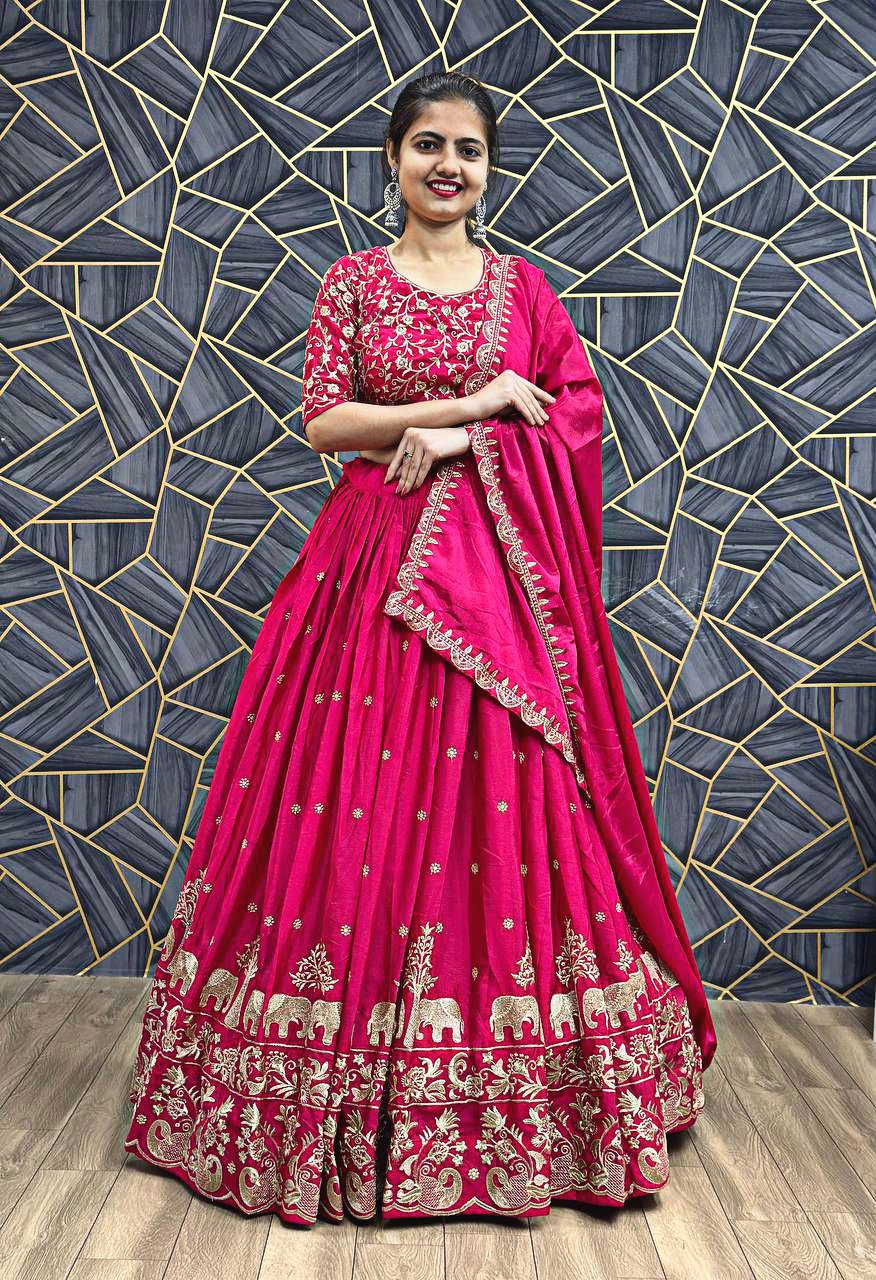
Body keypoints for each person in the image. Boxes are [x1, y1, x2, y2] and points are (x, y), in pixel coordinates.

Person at [123, 70, 717, 1226]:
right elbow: (325, 421)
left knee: (506, 812)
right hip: (366, 580)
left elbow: (573, 418)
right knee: (344, 810)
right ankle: (328, 1096)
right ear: (393, 159)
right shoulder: (351, 280)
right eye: (429, 145)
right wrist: (460, 411)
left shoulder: (524, 291)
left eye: (470, 151)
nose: (450, 166)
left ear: (489, 170)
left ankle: (526, 1097)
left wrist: (464, 444)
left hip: (493, 589)